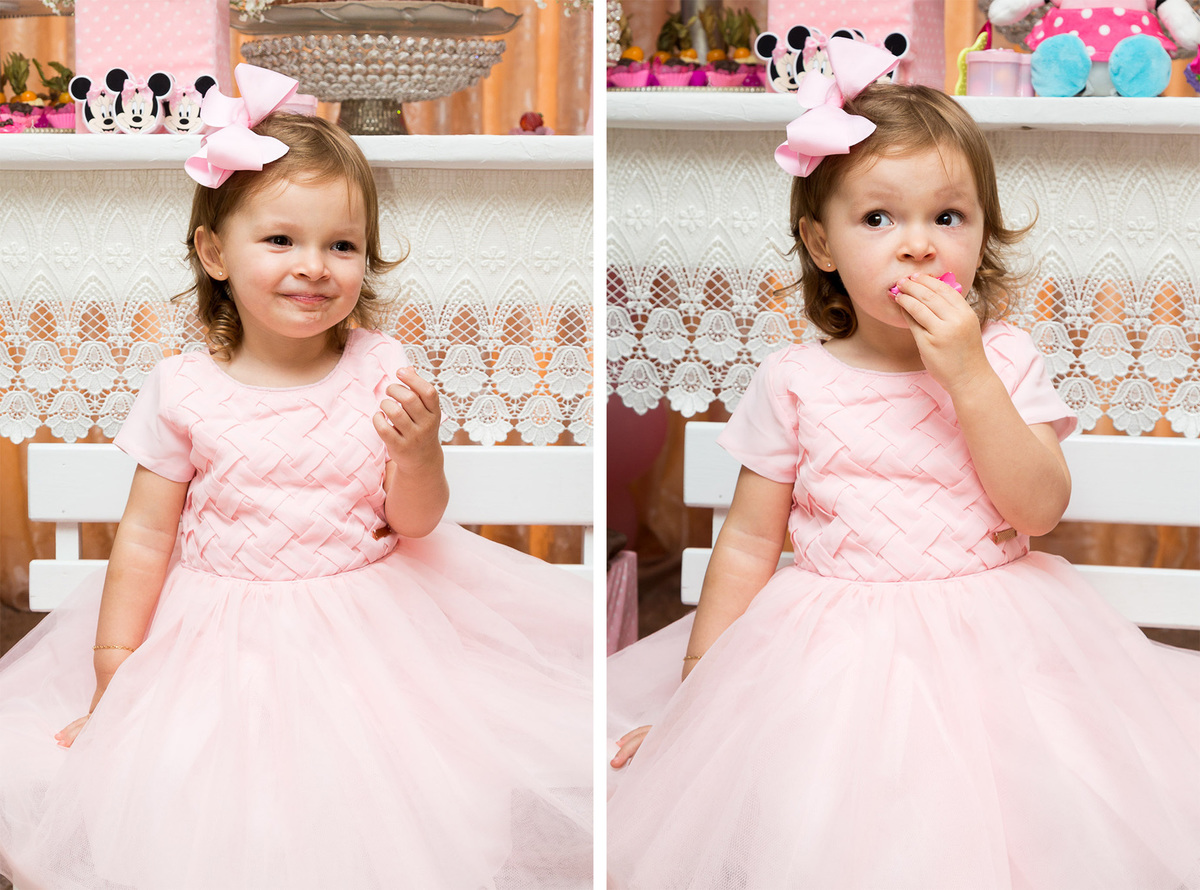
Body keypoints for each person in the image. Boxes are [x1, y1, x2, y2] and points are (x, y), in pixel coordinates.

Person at [607, 39, 1199, 889]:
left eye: (947, 217)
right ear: (821, 242)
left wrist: (968, 377)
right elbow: (745, 544)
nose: (918, 246)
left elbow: (1037, 509)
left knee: (1028, 811)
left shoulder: (1005, 354)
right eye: (879, 219)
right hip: (829, 653)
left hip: (996, 642)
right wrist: (696, 700)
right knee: (828, 817)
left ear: (982, 234)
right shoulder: (796, 379)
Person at [0, 65, 590, 890]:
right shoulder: (185, 388)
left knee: (379, 788)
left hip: (366, 627)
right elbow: (143, 536)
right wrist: (113, 671)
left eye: (341, 245)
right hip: (213, 631)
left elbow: (415, 522)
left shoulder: (382, 370)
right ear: (215, 252)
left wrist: (419, 452)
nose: (314, 266)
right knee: (204, 788)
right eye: (280, 240)